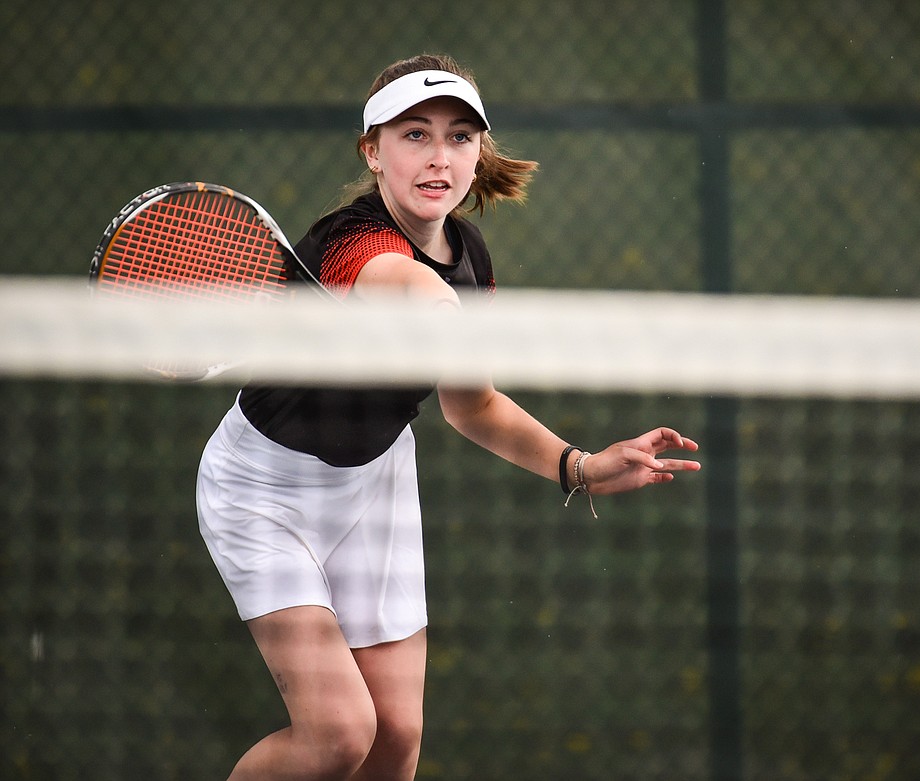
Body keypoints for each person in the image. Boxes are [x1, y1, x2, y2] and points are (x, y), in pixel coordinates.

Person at [195, 52, 700, 781]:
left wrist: (581, 465)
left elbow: (474, 405)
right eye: (415, 135)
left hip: (374, 485)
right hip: (263, 493)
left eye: (460, 137)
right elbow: (400, 283)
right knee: (338, 734)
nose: (440, 157)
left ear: (479, 153)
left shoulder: (470, 256)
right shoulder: (349, 242)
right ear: (372, 151)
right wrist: (447, 315)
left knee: (396, 737)